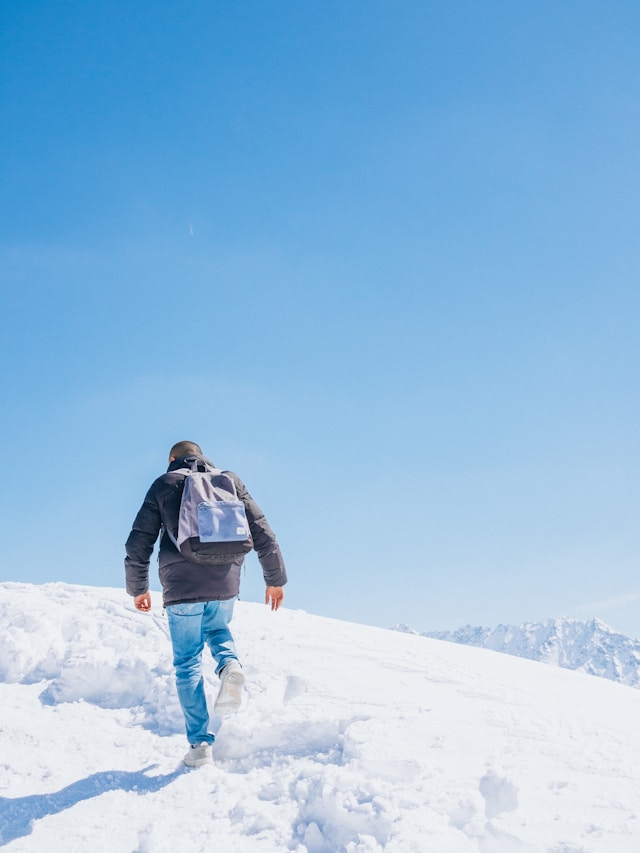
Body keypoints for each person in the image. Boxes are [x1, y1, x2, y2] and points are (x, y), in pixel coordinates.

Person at [125, 440, 287, 767]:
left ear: (173, 459)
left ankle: (200, 745)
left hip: (182, 586)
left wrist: (138, 588)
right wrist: (275, 579)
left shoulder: (165, 484)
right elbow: (262, 531)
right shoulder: (228, 480)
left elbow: (139, 540)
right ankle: (230, 666)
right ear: (201, 456)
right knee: (217, 627)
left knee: (187, 663)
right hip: (226, 580)